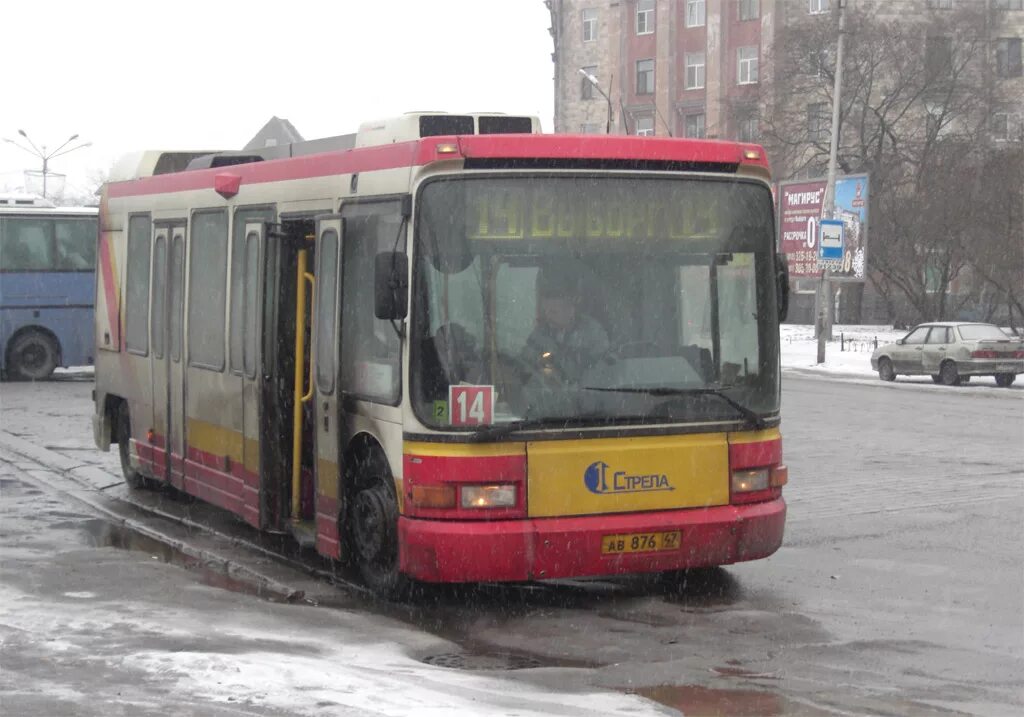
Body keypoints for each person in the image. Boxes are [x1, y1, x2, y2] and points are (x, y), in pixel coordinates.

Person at [520, 265, 609, 386]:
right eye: (545, 311)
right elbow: (525, 367)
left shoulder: (593, 333)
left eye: (553, 311)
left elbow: (604, 371)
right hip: (549, 400)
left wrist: (573, 385)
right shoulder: (539, 336)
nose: (548, 316)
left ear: (571, 308)